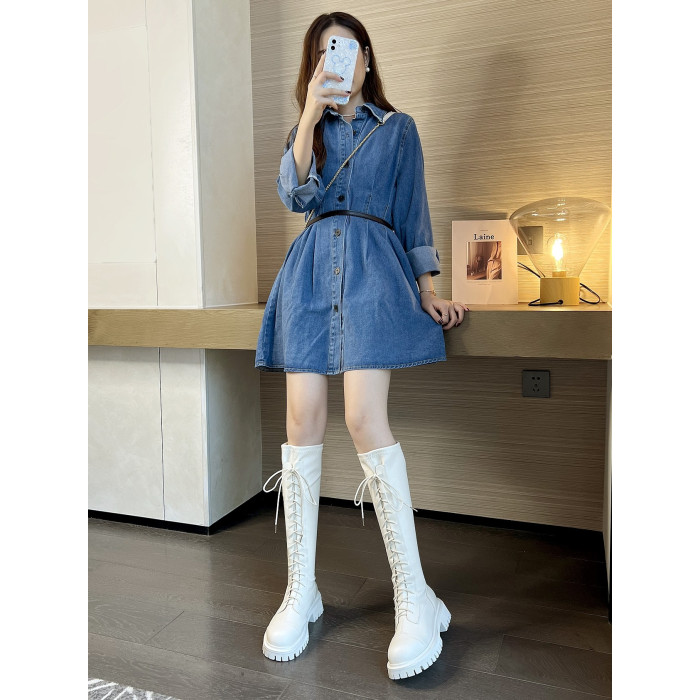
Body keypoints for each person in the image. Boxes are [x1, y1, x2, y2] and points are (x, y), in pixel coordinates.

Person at [255, 11, 468, 680]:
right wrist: (309, 117)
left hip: (375, 272)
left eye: (347, 50)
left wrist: (428, 287)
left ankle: (415, 596)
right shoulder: (307, 132)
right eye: (325, 53)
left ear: (367, 60)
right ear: (314, 66)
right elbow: (294, 194)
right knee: (301, 420)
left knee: (362, 417)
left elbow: (412, 211)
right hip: (311, 272)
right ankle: (302, 590)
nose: (338, 62)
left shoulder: (397, 129)